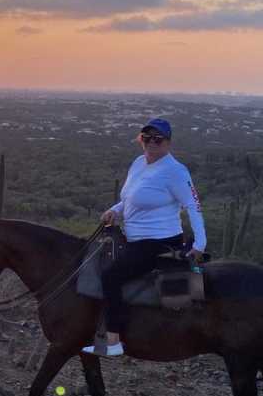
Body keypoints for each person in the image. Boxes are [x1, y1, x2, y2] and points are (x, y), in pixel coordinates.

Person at [82, 118, 206, 357]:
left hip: (159, 242)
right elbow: (129, 198)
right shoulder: (139, 163)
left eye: (157, 139)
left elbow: (193, 205)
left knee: (111, 276)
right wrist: (115, 210)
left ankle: (113, 341)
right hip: (135, 238)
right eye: (146, 138)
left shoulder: (175, 171)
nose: (151, 143)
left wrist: (200, 243)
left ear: (168, 142)